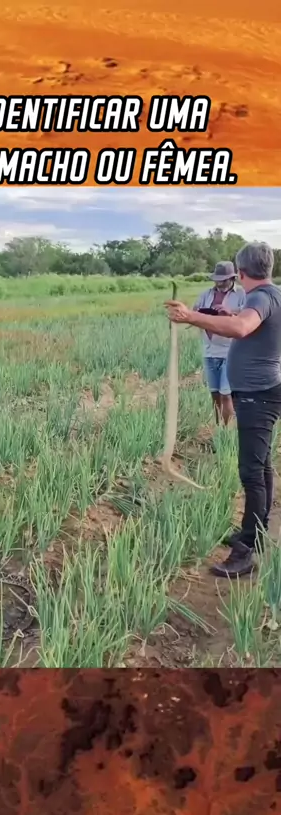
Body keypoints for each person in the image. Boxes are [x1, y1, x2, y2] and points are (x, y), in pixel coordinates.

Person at [165, 241, 281, 578]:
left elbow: (242, 328)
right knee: (262, 466)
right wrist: (221, 318)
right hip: (263, 390)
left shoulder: (259, 298)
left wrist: (189, 316)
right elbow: (249, 326)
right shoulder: (273, 295)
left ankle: (246, 551)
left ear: (241, 273)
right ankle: (256, 531)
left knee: (251, 472)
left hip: (257, 395)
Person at [193, 261, 245, 426]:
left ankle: (226, 431)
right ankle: (218, 428)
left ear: (232, 279)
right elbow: (194, 313)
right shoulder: (206, 295)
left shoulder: (242, 294)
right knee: (215, 394)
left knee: (226, 395)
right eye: (217, 280)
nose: (219, 283)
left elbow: (247, 318)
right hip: (209, 350)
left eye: (223, 280)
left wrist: (230, 314)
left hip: (231, 351)